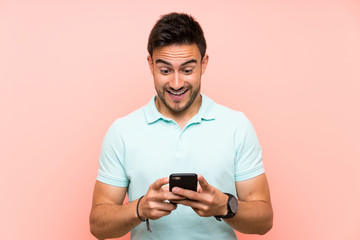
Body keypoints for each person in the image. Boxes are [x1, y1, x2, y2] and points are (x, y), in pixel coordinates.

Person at [90, 12, 273, 240]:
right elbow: (98, 225)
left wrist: (225, 206)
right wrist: (139, 209)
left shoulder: (237, 126)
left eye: (187, 70)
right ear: (150, 64)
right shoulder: (122, 132)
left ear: (203, 64)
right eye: (165, 70)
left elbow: (264, 220)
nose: (176, 83)